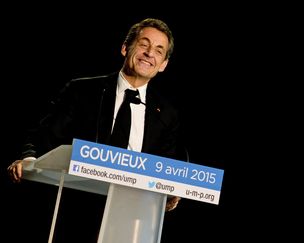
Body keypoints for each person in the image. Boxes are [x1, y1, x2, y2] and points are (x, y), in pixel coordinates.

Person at [7, 17, 182, 241]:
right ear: (125, 48)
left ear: (163, 64)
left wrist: (168, 193)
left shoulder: (166, 115)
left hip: (130, 222)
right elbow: (44, 134)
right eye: (144, 44)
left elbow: (164, 167)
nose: (150, 53)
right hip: (74, 213)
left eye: (159, 50)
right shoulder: (83, 91)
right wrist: (28, 159)